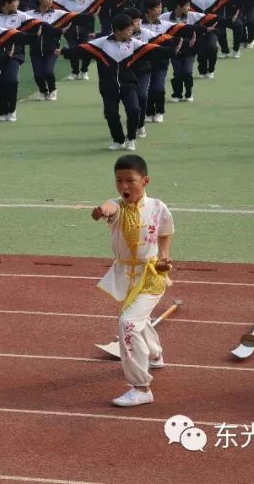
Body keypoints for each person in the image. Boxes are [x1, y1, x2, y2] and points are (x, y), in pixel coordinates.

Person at [91, 154, 173, 407]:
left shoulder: (158, 207)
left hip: (150, 278)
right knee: (139, 319)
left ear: (145, 181)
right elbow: (109, 207)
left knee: (128, 323)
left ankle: (141, 387)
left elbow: (166, 231)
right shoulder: (118, 207)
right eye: (119, 181)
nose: (124, 186)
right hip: (125, 277)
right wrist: (102, 211)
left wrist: (164, 257)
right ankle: (155, 355)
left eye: (130, 180)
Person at [61, 12, 173, 151]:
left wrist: (177, 49)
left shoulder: (135, 44)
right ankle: (118, 140)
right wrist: (63, 51)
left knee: (134, 110)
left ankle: (131, 138)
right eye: (128, 30)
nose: (131, 32)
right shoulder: (102, 43)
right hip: (108, 86)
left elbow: (156, 50)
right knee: (111, 114)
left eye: (132, 29)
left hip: (129, 84)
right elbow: (81, 50)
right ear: (118, 30)